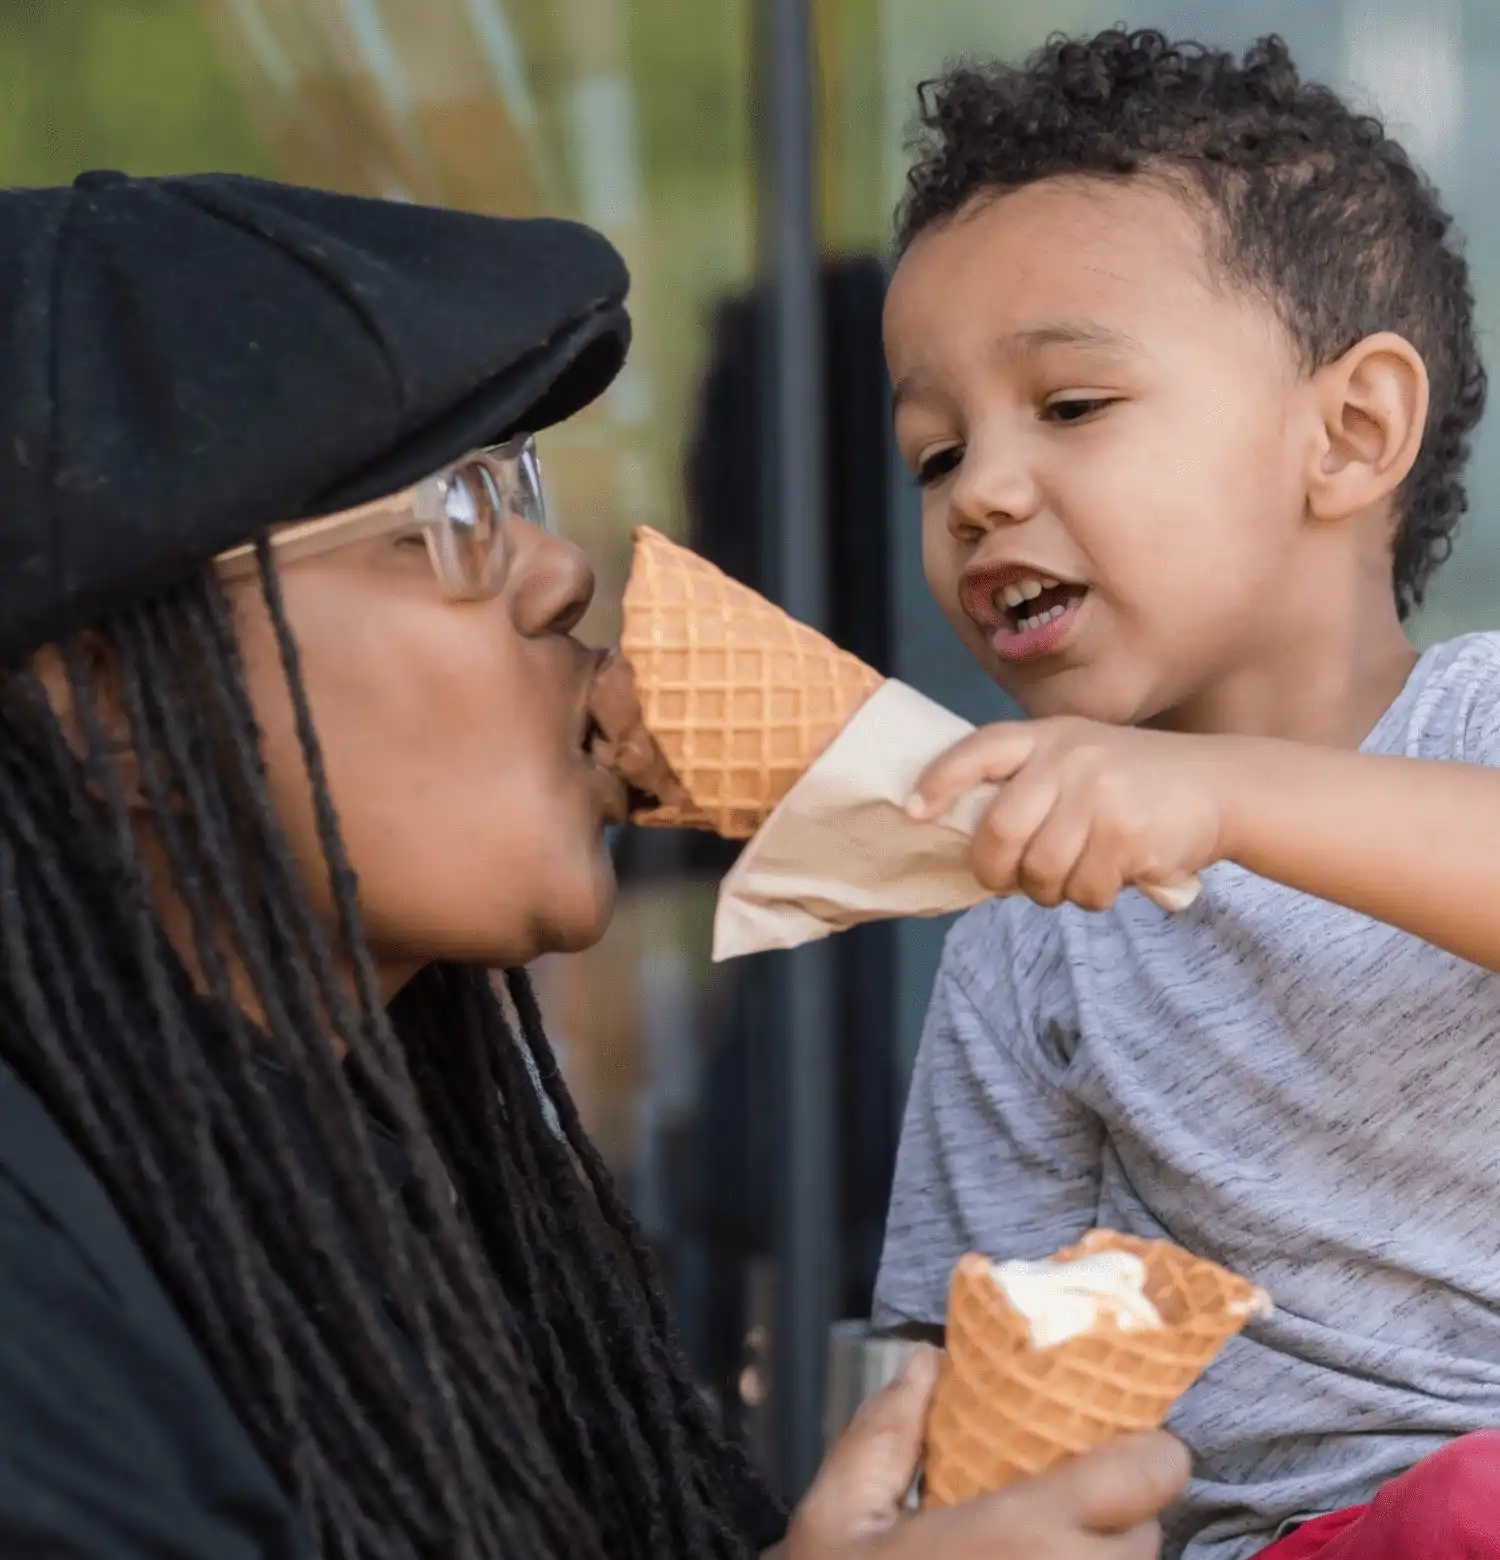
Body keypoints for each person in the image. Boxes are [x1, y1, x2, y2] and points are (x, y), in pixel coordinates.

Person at [0, 169, 1188, 1559]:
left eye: (520, 486)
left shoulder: (360, 1211)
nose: (562, 574)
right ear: (104, 705)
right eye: (449, 520)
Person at [873, 23, 1500, 1560]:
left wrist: (1214, 798)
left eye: (1070, 408)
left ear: (1349, 435)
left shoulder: (1477, 720)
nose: (983, 494)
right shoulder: (1028, 926)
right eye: (934, 455)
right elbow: (962, 1363)